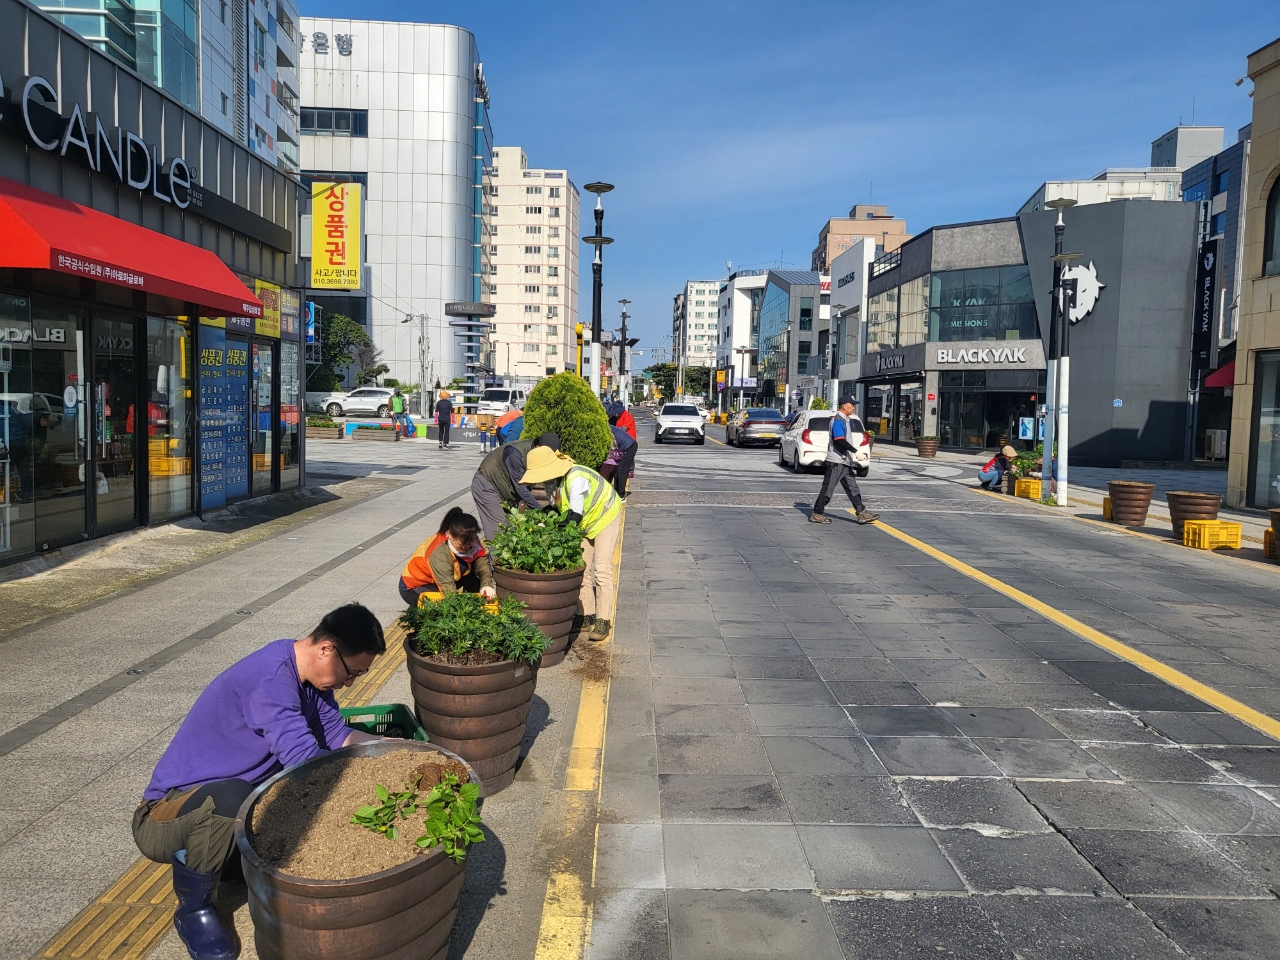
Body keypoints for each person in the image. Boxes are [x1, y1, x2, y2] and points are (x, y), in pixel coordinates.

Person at [132, 604, 386, 960]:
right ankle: (194, 908)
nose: (349, 683)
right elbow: (304, 762)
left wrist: (398, 750)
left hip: (232, 808)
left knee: (266, 814)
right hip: (168, 813)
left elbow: (337, 734)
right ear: (327, 648)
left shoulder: (310, 678)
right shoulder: (271, 679)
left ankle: (224, 856)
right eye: (352, 673)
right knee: (234, 797)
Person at [521, 447, 622, 642]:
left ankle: (603, 620)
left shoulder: (576, 478)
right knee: (580, 567)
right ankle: (585, 616)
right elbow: (558, 509)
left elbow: (573, 517)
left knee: (601, 569)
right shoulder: (554, 483)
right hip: (586, 521)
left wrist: (549, 529)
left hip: (605, 516)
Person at [470, 431, 560, 540]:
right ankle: (493, 556)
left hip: (506, 489)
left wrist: (555, 507)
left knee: (512, 532)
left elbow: (550, 482)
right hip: (487, 485)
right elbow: (521, 489)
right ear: (538, 446)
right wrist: (541, 511)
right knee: (499, 533)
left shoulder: (539, 455)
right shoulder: (515, 455)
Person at [400, 507, 497, 604]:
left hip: (447, 574)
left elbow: (481, 562)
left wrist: (486, 584)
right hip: (416, 585)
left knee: (475, 582)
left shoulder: (470, 538)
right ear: (450, 535)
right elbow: (449, 592)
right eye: (462, 544)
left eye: (471, 541)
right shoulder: (438, 553)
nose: (467, 546)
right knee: (439, 606)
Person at [810, 395, 879, 525]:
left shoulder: (846, 420)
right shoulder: (838, 420)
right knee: (828, 489)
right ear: (844, 406)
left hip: (845, 462)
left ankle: (862, 513)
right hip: (836, 462)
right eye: (852, 405)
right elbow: (839, 439)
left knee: (853, 488)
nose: (853, 407)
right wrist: (856, 451)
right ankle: (817, 513)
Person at [601, 412, 638, 498]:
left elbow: (612, 446)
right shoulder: (609, 427)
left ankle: (621, 494)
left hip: (630, 447)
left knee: (622, 470)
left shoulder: (609, 431)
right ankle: (617, 492)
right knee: (617, 469)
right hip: (626, 446)